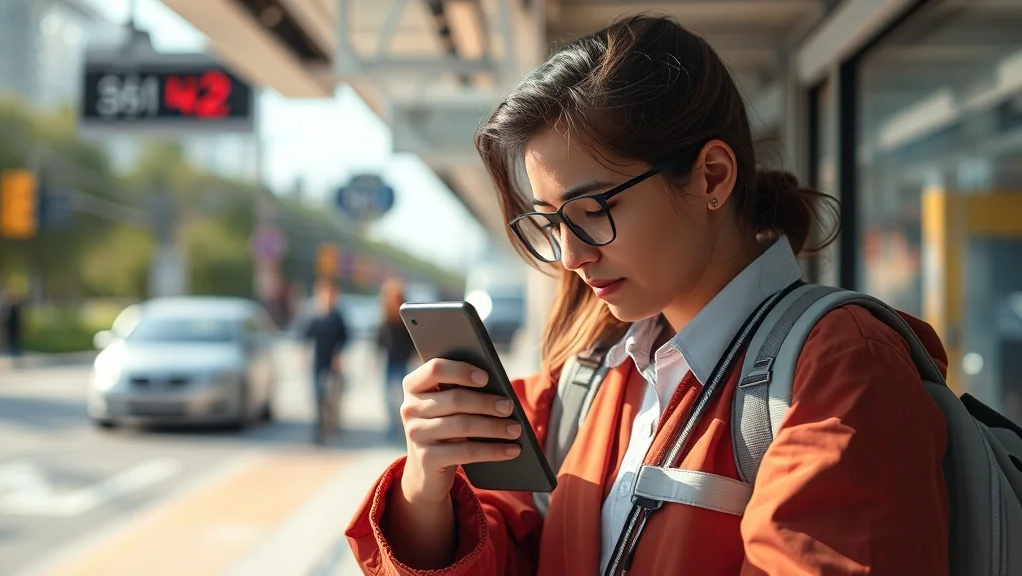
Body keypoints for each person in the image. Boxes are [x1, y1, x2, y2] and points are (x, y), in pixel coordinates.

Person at [345, 15, 949, 575]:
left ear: (712, 175)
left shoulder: (842, 367)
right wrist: (427, 487)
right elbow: (504, 545)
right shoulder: (589, 377)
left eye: (593, 210)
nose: (574, 256)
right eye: (551, 224)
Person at [303, 278, 349, 444]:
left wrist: (339, 354)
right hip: (318, 361)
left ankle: (333, 424)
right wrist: (302, 355)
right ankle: (319, 428)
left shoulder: (338, 317)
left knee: (333, 396)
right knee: (318, 395)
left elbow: (346, 338)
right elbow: (305, 337)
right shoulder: (314, 316)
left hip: (333, 363)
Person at [376, 278, 416, 446]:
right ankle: (392, 428)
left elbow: (414, 341)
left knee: (401, 398)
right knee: (387, 397)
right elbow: (379, 341)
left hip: (403, 362)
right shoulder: (385, 318)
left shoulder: (405, 318)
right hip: (390, 362)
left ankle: (402, 429)